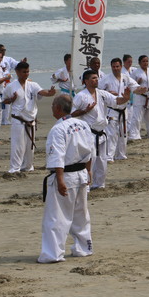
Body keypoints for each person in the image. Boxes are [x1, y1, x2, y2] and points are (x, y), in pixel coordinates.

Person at [38, 94, 95, 263]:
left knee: (57, 216)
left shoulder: (58, 129)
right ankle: (84, 248)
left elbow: (58, 155)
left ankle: (52, 254)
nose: (51, 108)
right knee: (80, 215)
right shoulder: (83, 124)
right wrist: (89, 171)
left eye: (52, 105)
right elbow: (90, 150)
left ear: (57, 108)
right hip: (81, 174)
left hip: (67, 176)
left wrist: (60, 180)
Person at [72, 70, 130, 189]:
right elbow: (72, 113)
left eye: (97, 78)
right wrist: (85, 111)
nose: (96, 80)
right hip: (89, 133)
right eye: (93, 78)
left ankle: (99, 184)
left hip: (102, 132)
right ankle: (86, 186)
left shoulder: (102, 94)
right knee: (90, 160)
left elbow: (116, 101)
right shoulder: (80, 96)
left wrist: (125, 98)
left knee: (102, 161)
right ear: (86, 81)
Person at [3, 61, 56, 173]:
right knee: (18, 145)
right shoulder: (11, 86)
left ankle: (28, 166)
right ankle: (15, 168)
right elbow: (4, 101)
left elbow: (41, 92)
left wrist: (50, 93)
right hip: (18, 119)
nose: (26, 74)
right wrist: (12, 99)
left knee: (29, 146)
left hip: (30, 119)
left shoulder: (33, 85)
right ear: (17, 72)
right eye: (24, 72)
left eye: (27, 72)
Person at [98, 58, 145, 161]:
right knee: (111, 134)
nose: (115, 68)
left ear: (121, 66)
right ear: (111, 67)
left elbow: (135, 87)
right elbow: (97, 92)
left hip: (123, 110)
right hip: (111, 110)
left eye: (117, 66)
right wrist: (108, 93)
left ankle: (121, 155)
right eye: (113, 67)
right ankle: (109, 156)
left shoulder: (126, 78)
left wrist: (142, 89)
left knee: (123, 133)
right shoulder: (106, 79)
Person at [129, 55, 149, 140]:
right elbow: (130, 84)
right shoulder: (135, 72)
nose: (145, 63)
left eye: (147, 61)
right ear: (139, 63)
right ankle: (134, 135)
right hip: (139, 97)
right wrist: (137, 82)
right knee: (137, 118)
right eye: (143, 61)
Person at [0, 44, 26, 126]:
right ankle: (0, 119)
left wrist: (22, 63)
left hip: (7, 82)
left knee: (8, 100)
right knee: (0, 101)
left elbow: (16, 64)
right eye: (2, 50)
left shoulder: (8, 59)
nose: (4, 51)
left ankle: (5, 119)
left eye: (4, 50)